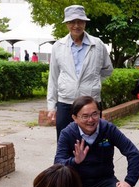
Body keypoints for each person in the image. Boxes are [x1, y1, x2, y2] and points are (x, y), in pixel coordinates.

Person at [54, 96, 139, 187]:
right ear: (75, 118)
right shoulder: (67, 133)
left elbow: (133, 153)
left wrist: (129, 181)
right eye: (85, 116)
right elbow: (58, 164)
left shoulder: (108, 129)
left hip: (104, 180)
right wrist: (75, 161)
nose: (91, 120)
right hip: (77, 182)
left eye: (95, 114)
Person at [47, 5, 114, 140]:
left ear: (85, 23)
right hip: (65, 102)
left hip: (90, 102)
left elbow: (108, 69)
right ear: (66, 24)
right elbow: (53, 77)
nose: (76, 25)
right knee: (64, 141)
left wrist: (94, 81)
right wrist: (51, 106)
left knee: (92, 141)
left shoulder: (97, 44)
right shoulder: (58, 46)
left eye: (80, 21)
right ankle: (65, 162)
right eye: (72, 22)